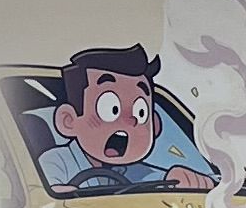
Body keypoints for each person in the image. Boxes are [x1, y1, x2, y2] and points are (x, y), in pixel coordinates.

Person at [38, 45, 214, 194]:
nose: (130, 121)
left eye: (140, 112)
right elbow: (45, 197)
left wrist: (180, 179)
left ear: (154, 125)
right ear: (68, 121)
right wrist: (60, 192)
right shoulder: (55, 162)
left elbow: (155, 180)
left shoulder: (134, 171)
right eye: (110, 109)